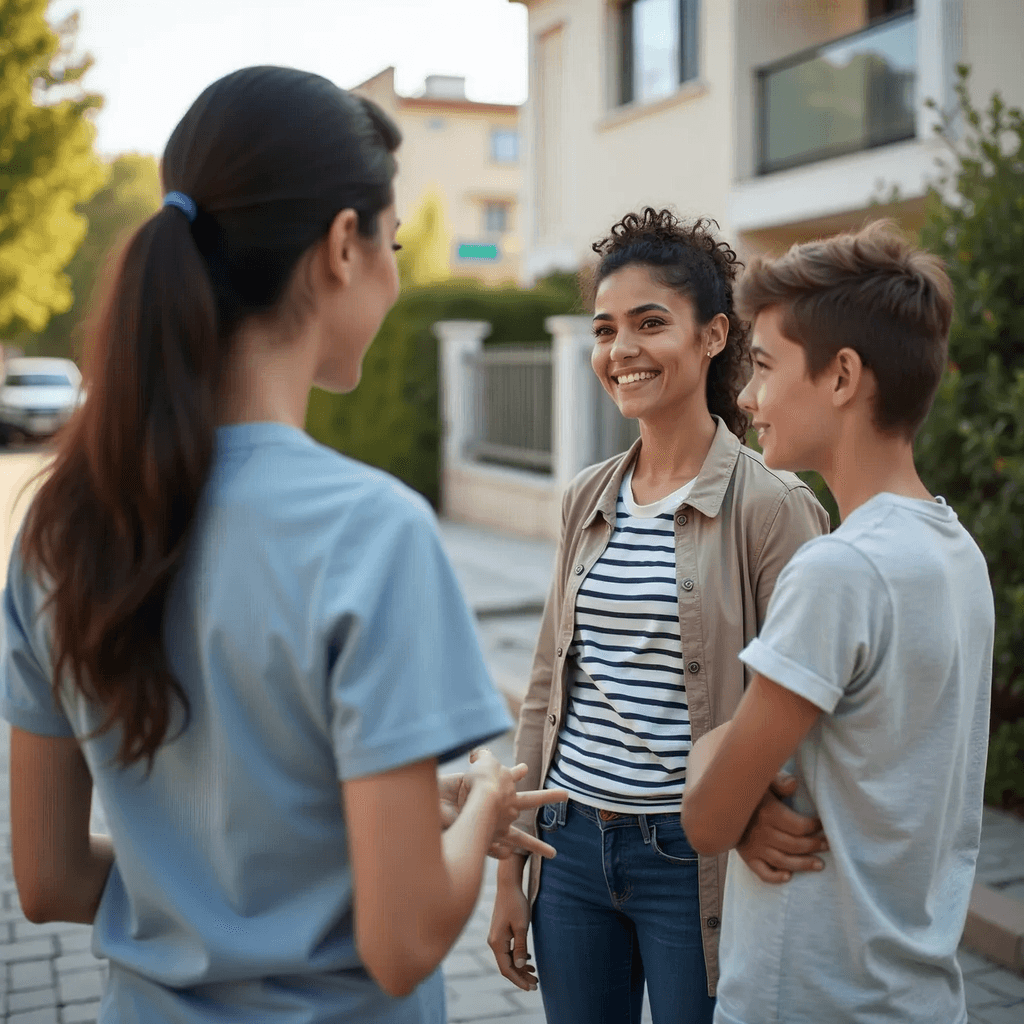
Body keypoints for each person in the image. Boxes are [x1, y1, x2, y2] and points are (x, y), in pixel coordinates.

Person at [0, 66, 564, 1024]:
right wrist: (479, 800)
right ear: (343, 246)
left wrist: (204, 907)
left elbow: (49, 882)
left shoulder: (60, 530)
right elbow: (403, 941)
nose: (395, 272)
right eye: (392, 242)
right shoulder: (371, 531)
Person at [487, 208, 832, 1024]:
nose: (621, 351)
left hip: (693, 853)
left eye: (651, 323)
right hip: (567, 845)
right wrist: (511, 867)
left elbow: (807, 708)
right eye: (606, 329)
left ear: (713, 336)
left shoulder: (774, 506)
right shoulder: (587, 495)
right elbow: (548, 679)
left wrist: (752, 816)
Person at [681, 220, 993, 1024]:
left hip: (809, 998)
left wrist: (713, 750)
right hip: (915, 995)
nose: (748, 396)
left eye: (766, 365)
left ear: (844, 376)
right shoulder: (955, 549)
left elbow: (708, 818)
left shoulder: (839, 568)